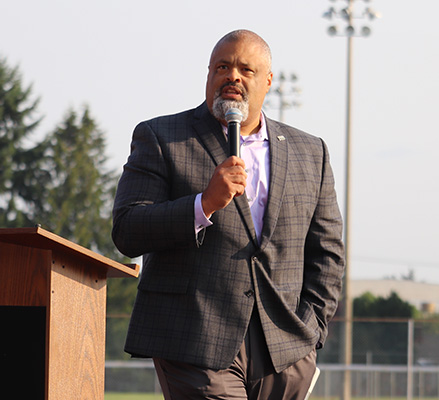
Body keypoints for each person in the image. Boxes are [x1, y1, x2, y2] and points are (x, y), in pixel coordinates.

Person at [112, 29, 345, 399]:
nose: (232, 76)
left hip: (285, 349)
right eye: (223, 66)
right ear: (209, 75)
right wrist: (204, 203)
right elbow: (128, 229)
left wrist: (311, 330)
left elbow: (328, 253)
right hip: (194, 339)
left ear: (268, 82)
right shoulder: (161, 136)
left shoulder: (310, 152)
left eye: (246, 69)